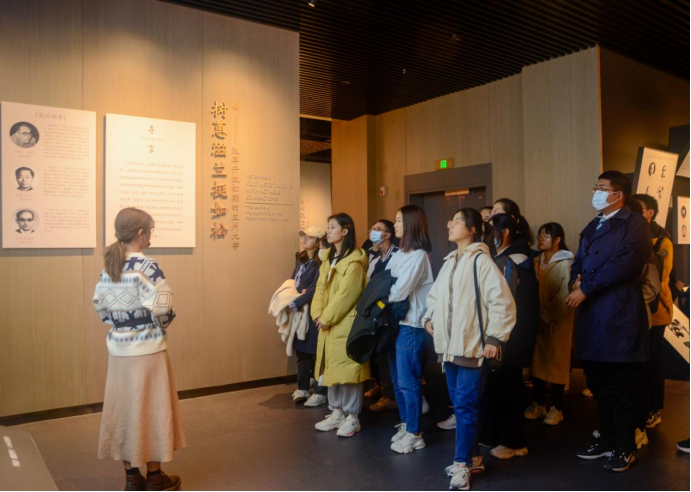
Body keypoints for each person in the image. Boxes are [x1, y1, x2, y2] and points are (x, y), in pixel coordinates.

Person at [92, 208, 185, 492]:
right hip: (148, 352)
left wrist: (121, 326)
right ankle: (155, 478)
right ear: (141, 233)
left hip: (119, 353)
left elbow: (101, 308)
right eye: (150, 231)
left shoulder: (109, 266)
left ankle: (132, 478)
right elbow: (164, 309)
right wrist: (159, 325)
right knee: (152, 410)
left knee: (124, 411)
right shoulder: (149, 267)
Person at [424, 208, 516, 491]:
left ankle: (462, 464)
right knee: (462, 406)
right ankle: (474, 457)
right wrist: (429, 318)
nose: (450, 224)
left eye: (457, 221)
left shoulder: (481, 261)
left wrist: (495, 339)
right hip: (449, 349)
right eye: (450, 220)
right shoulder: (450, 261)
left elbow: (502, 302)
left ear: (472, 229)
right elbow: (434, 297)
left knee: (464, 406)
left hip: (472, 348)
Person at [569, 171, 651, 473]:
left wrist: (586, 288)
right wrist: (574, 282)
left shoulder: (635, 224)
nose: (596, 192)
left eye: (602, 188)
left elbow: (624, 264)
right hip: (592, 316)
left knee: (620, 386)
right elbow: (579, 260)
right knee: (598, 383)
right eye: (596, 187)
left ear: (619, 194)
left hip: (618, 314)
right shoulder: (594, 223)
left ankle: (624, 446)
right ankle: (605, 438)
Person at [479, 213, 539, 460]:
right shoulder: (505, 258)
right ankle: (498, 436)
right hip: (506, 335)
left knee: (508, 390)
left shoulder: (513, 261)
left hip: (509, 337)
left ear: (504, 233)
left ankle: (514, 442)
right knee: (499, 388)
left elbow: (506, 303)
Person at [313, 213, 370, 438]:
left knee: (348, 371)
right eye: (328, 227)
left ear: (345, 231)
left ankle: (352, 417)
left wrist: (326, 318)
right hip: (327, 323)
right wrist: (317, 314)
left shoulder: (354, 262)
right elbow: (319, 289)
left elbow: (346, 296)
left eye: (332, 227)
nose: (328, 231)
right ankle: (336, 412)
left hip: (345, 323)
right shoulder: (328, 259)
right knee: (331, 368)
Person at [386, 205, 435, 454]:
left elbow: (398, 291)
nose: (395, 225)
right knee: (398, 382)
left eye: (399, 221)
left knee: (409, 383)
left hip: (413, 327)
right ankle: (407, 424)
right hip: (397, 325)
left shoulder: (419, 256)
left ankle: (415, 434)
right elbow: (383, 281)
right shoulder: (399, 254)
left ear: (411, 224)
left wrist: (381, 295)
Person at [631, 194, 674, 431]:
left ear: (650, 213)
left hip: (655, 310)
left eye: (640, 209)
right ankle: (638, 408)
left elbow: (661, 275)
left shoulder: (662, 239)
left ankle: (654, 409)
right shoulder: (630, 234)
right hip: (632, 310)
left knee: (653, 360)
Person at [525, 223, 574, 426]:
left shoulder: (565, 263)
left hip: (557, 322)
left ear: (557, 239)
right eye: (539, 235)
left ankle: (557, 408)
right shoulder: (536, 261)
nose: (541, 238)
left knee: (556, 364)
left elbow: (564, 294)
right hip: (536, 320)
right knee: (537, 363)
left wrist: (546, 317)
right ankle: (538, 404)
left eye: (546, 235)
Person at [290, 226, 329, 407]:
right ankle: (302, 387)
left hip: (314, 311)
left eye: (309, 237)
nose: (304, 239)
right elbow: (293, 281)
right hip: (300, 311)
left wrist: (298, 300)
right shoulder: (301, 258)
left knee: (316, 352)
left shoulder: (321, 261)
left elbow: (316, 287)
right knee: (301, 350)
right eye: (303, 236)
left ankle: (321, 392)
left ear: (319, 241)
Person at [365, 220, 400, 413]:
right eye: (372, 229)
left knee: (393, 357)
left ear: (387, 234)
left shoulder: (398, 255)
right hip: (379, 315)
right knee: (382, 355)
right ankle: (387, 392)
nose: (373, 232)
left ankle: (395, 396)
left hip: (394, 314)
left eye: (378, 229)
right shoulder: (376, 259)